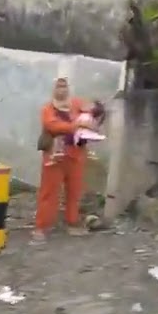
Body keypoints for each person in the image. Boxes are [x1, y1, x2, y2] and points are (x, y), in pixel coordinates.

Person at [32, 77, 105, 245]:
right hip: (55, 155)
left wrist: (95, 111)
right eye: (59, 86)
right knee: (49, 192)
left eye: (64, 86)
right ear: (53, 89)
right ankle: (41, 227)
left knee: (75, 191)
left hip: (76, 153)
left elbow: (91, 113)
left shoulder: (76, 104)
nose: (62, 90)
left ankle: (72, 222)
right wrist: (76, 126)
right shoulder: (47, 109)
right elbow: (52, 125)